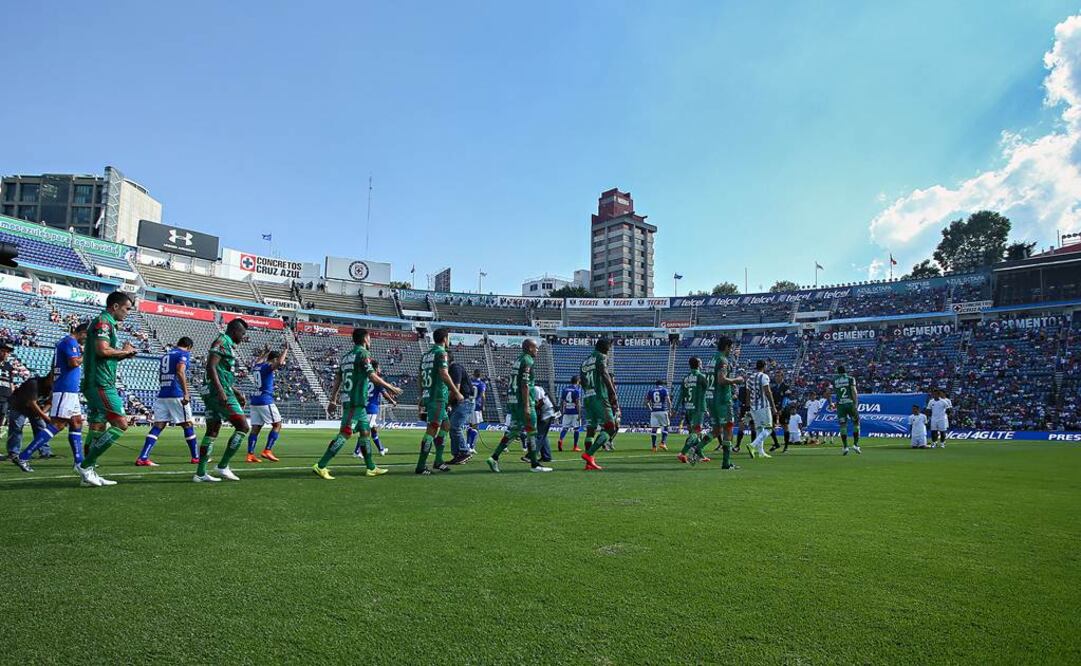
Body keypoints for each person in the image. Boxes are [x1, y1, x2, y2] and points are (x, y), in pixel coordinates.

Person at [315, 328, 401, 480]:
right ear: (365, 339)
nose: (370, 341)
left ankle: (371, 467)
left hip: (356, 403)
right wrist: (391, 387)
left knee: (365, 433)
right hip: (355, 401)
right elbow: (373, 376)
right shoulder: (363, 354)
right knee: (345, 433)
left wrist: (333, 399)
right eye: (370, 338)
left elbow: (338, 379)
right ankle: (321, 465)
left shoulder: (345, 357)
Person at [75, 291, 140, 488]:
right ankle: (85, 466)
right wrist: (125, 351)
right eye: (127, 309)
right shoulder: (103, 322)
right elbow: (102, 350)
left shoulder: (107, 323)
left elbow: (107, 354)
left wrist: (125, 354)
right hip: (101, 383)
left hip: (98, 381)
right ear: (115, 306)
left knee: (97, 426)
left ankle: (89, 472)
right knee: (121, 424)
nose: (128, 313)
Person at [193, 318, 251, 482]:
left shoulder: (226, 343)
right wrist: (221, 391)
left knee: (212, 430)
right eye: (242, 333)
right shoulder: (223, 341)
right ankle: (223, 466)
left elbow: (220, 372)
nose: (243, 337)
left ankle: (200, 473)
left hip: (213, 391)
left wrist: (237, 392)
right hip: (217, 392)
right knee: (243, 426)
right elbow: (211, 366)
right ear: (235, 331)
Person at [487, 339, 551, 473]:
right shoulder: (528, 360)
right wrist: (527, 405)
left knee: (514, 431)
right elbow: (525, 383)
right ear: (529, 348)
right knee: (531, 432)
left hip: (514, 401)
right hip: (523, 402)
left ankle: (494, 457)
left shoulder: (518, 359)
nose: (537, 350)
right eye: (535, 347)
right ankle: (535, 465)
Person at [137, 337, 198, 466]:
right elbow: (180, 371)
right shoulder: (183, 354)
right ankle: (196, 457)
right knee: (187, 424)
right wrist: (186, 392)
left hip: (163, 394)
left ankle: (143, 457)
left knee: (158, 425)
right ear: (189, 347)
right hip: (176, 393)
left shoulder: (166, 355)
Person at [414, 328, 462, 475]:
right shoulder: (442, 353)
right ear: (445, 339)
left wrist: (422, 395)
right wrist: (456, 392)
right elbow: (444, 373)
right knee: (432, 429)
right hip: (438, 396)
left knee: (446, 426)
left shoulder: (426, 355)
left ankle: (438, 461)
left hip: (430, 395)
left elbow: (420, 377)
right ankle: (421, 466)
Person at [702, 336, 742, 468]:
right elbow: (721, 380)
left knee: (716, 430)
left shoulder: (712, 359)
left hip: (711, 398)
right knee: (728, 428)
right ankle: (726, 462)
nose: (731, 351)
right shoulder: (722, 360)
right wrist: (736, 380)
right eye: (730, 348)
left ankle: (697, 448)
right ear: (726, 347)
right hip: (722, 400)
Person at [579, 338, 619, 471]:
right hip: (600, 397)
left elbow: (583, 382)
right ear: (604, 347)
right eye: (609, 346)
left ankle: (589, 464)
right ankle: (589, 455)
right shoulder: (601, 357)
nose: (609, 349)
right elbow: (604, 374)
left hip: (588, 397)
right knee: (610, 428)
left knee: (591, 431)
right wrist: (612, 393)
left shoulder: (584, 361)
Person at [246, 344, 290, 463]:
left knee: (256, 428)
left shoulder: (257, 366)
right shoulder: (267, 366)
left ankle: (250, 454)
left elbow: (259, 360)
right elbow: (280, 363)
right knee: (277, 424)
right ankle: (267, 450)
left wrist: (265, 351)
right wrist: (285, 349)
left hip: (255, 400)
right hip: (265, 400)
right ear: (274, 359)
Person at [8, 373, 54, 473]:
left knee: (41, 428)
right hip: (19, 406)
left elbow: (50, 402)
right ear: (49, 378)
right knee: (16, 428)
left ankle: (45, 451)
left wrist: (43, 412)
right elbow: (31, 402)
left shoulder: (53, 387)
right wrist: (45, 417)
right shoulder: (34, 383)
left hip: (34, 409)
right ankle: (14, 453)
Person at [355, 359, 393, 458]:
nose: (380, 369)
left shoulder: (364, 378)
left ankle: (381, 449)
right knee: (365, 431)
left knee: (374, 430)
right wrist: (392, 401)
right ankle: (357, 451)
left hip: (364, 407)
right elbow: (384, 393)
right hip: (372, 409)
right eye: (379, 367)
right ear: (375, 368)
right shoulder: (377, 379)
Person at [676, 356, 709, 465]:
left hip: (688, 408)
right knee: (696, 432)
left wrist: (675, 408)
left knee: (694, 433)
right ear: (698, 364)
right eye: (701, 362)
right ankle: (683, 453)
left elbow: (681, 395)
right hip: (698, 408)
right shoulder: (701, 377)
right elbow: (709, 391)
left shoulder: (685, 378)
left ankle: (701, 456)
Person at [745, 360, 778, 459]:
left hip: (753, 407)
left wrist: (748, 407)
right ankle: (753, 445)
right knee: (769, 428)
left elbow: (748, 393)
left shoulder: (750, 378)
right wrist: (773, 406)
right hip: (763, 406)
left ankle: (761, 452)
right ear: (764, 366)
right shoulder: (764, 377)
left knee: (760, 428)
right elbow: (768, 392)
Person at [447, 356, 475, 464]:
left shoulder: (455, 368)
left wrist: (447, 403)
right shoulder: (451, 369)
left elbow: (456, 389)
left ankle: (464, 452)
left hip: (464, 401)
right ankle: (457, 455)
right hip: (458, 403)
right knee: (452, 427)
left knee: (455, 427)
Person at [832, 364, 861, 455]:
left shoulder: (835, 380)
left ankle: (845, 447)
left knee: (843, 426)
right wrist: (856, 403)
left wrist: (833, 403)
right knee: (856, 423)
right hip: (850, 404)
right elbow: (853, 390)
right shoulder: (850, 379)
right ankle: (855, 445)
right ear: (845, 371)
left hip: (840, 405)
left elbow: (834, 393)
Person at [557, 376, 583, 452]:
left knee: (565, 428)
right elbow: (578, 403)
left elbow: (561, 401)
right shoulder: (576, 390)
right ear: (578, 381)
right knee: (576, 429)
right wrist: (579, 413)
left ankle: (560, 440)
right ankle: (575, 446)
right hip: (574, 412)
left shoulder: (564, 389)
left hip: (566, 411)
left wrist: (561, 411)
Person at [532, 384, 556, 463]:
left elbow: (541, 401)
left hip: (547, 413)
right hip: (544, 413)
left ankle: (531, 455)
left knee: (540, 434)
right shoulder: (534, 389)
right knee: (543, 436)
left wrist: (533, 408)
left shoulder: (535, 389)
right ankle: (546, 456)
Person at [645, 380, 671, 452]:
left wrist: (651, 409)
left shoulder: (651, 391)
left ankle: (654, 447)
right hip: (663, 410)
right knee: (665, 426)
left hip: (654, 412)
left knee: (654, 428)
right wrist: (670, 410)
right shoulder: (664, 390)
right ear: (662, 384)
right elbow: (668, 401)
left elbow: (646, 402)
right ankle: (663, 443)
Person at [0, 341, 15, 455]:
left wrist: (13, 396)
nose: (5, 354)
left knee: (0, 425)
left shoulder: (9, 366)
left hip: (6, 398)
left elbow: (11, 383)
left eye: (7, 352)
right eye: (3, 351)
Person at [466, 369, 486, 453]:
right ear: (480, 375)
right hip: (476, 406)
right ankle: (471, 447)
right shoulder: (481, 384)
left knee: (470, 426)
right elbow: (483, 396)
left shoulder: (469, 382)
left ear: (473, 374)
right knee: (475, 427)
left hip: (468, 406)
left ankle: (467, 444)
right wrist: (483, 405)